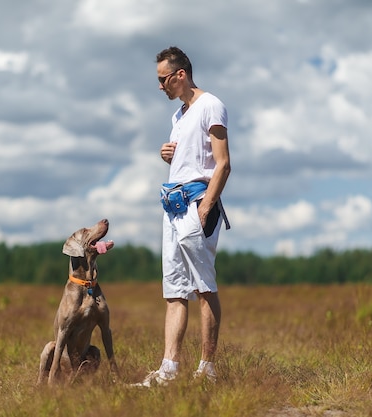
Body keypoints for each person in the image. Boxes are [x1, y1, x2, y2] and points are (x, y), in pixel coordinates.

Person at [135, 46, 231, 387]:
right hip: (171, 209)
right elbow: (188, 159)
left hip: (197, 206)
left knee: (204, 287)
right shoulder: (178, 116)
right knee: (174, 291)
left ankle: (207, 370)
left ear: (181, 75)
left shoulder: (211, 105)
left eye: (163, 80)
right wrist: (167, 155)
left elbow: (222, 163)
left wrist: (206, 206)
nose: (160, 87)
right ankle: (169, 371)